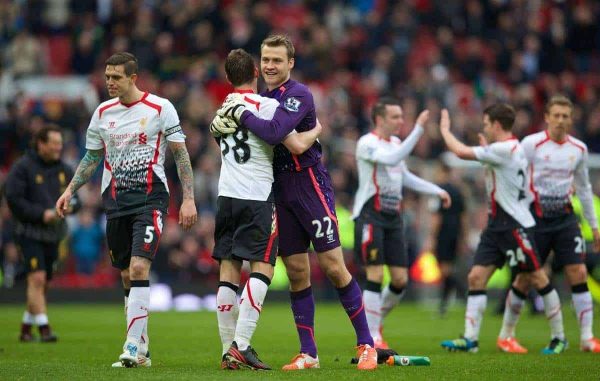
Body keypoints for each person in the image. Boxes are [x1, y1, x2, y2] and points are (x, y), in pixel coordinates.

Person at [212, 34, 378, 370]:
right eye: (267, 60)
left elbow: (277, 135)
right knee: (298, 272)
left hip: (309, 186)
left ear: (291, 63)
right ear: (259, 65)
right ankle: (309, 354)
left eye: (278, 60)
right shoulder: (260, 100)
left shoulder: (297, 95)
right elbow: (283, 139)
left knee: (333, 267)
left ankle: (367, 345)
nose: (271, 66)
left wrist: (240, 115)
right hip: (277, 192)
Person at [55, 52, 197, 367]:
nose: (110, 83)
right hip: (116, 202)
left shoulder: (161, 108)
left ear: (133, 78)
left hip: (151, 199)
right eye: (107, 77)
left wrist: (188, 198)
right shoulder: (103, 113)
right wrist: (69, 190)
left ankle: (131, 347)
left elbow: (181, 155)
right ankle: (143, 351)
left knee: (138, 269)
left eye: (116, 77)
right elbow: (91, 158)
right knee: (125, 276)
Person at [212, 49, 322, 370]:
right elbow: (296, 144)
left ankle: (225, 351)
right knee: (264, 268)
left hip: (226, 196)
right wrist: (317, 130)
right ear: (256, 73)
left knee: (229, 271)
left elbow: (215, 130)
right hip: (256, 196)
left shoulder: (224, 107)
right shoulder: (268, 105)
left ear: (228, 78)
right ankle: (241, 344)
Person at [438, 104, 566, 354]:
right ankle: (470, 339)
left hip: (514, 225)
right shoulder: (508, 149)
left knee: (537, 277)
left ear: (497, 125)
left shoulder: (503, 149)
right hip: (496, 226)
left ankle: (560, 336)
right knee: (476, 277)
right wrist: (486, 148)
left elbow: (460, 152)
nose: (484, 126)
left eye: (486, 123)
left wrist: (444, 129)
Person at [496, 95, 600, 353]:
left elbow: (585, 189)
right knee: (524, 278)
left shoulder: (579, 149)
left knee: (578, 272)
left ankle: (587, 338)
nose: (561, 121)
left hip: (565, 219)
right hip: (534, 219)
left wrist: (594, 226)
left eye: (566, 116)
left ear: (571, 119)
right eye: (557, 115)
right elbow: (512, 171)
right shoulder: (531, 144)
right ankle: (506, 335)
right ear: (547, 117)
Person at [352, 97, 451, 348]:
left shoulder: (396, 143)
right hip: (370, 216)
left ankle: (375, 324)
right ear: (380, 119)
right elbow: (391, 159)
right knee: (375, 275)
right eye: (395, 117)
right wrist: (418, 129)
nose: (400, 121)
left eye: (401, 117)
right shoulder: (367, 143)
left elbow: (404, 176)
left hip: (392, 218)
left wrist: (435, 190)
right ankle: (372, 337)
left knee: (400, 281)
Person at [5, 124, 76, 343]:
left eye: (60, 144)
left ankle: (26, 327)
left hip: (54, 234)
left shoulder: (65, 169)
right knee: (37, 278)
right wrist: (40, 214)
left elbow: (77, 197)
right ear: (41, 144)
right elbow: (13, 200)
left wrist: (73, 206)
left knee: (43, 283)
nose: (58, 148)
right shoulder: (22, 168)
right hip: (29, 231)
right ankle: (44, 328)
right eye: (54, 143)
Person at [428, 162, 466, 316]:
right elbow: (464, 216)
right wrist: (463, 236)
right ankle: (446, 303)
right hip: (455, 233)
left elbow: (437, 217)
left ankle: (462, 293)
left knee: (444, 270)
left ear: (443, 172)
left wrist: (432, 237)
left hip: (444, 233)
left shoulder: (439, 192)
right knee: (448, 268)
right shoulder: (458, 191)